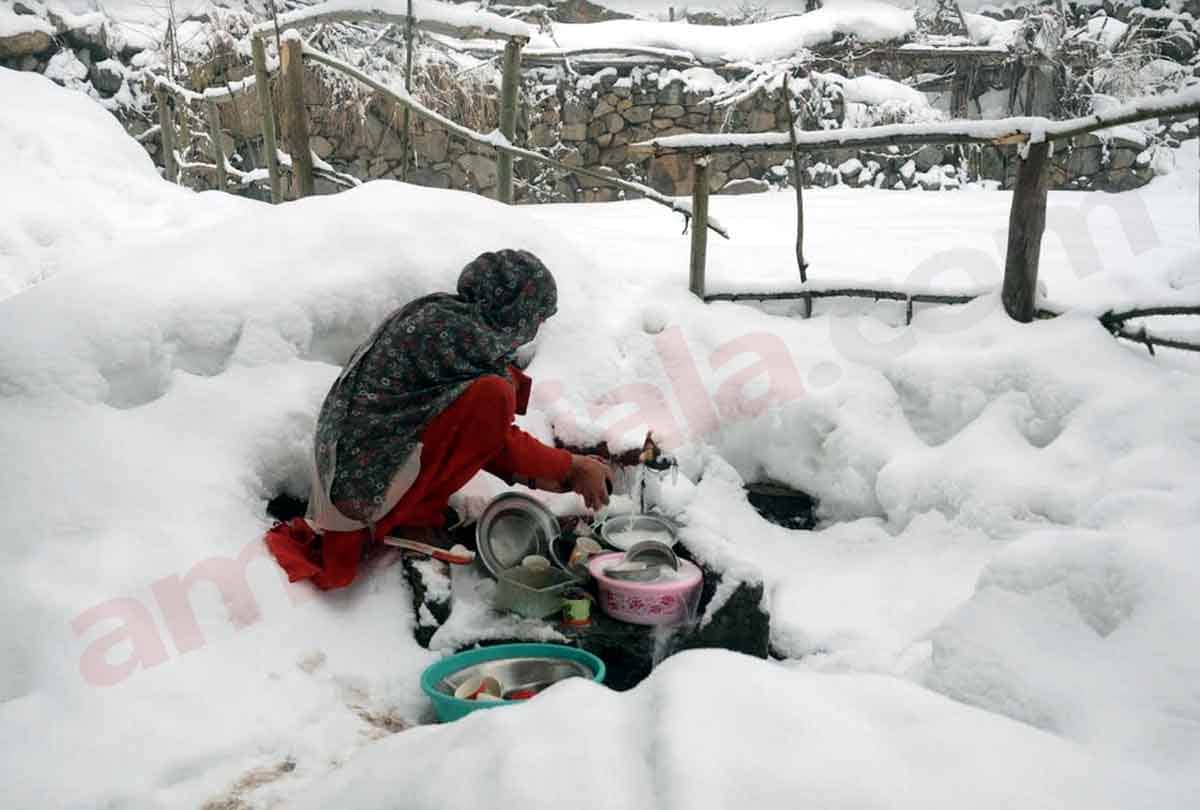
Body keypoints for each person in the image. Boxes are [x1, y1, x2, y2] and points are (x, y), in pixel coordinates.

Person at [266, 249, 612, 590]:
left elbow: (468, 431)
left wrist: (553, 471)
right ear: (515, 308)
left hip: (354, 471)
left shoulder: (450, 318)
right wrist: (569, 466)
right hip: (359, 492)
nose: (536, 328)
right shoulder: (463, 338)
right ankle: (411, 519)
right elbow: (491, 432)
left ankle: (412, 511)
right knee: (494, 396)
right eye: (537, 316)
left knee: (494, 392)